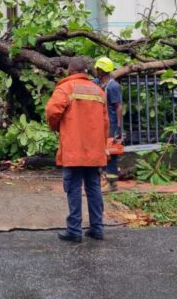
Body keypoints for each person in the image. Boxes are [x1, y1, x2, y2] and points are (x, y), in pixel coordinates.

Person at [45, 57, 109, 243]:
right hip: (94, 149)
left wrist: (57, 127)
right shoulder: (98, 91)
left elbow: (52, 111)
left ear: (70, 70)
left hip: (73, 148)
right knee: (94, 187)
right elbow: (106, 122)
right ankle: (97, 228)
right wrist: (102, 144)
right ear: (85, 71)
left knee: (73, 188)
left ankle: (74, 230)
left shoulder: (66, 88)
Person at [93, 56, 123, 193]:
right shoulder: (97, 83)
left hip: (111, 124)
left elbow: (118, 107)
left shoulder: (113, 86)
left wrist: (118, 128)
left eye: (97, 69)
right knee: (101, 152)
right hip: (100, 124)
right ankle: (105, 179)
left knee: (111, 153)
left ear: (101, 70)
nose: (96, 71)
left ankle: (112, 184)